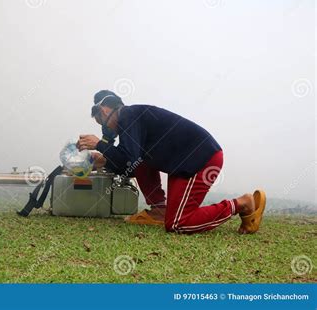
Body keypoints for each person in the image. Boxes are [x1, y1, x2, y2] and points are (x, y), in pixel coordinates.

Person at [77, 90, 266, 234]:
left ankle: (241, 203)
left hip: (203, 159)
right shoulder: (132, 118)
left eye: (101, 123)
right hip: (182, 165)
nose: (105, 129)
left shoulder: (128, 115)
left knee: (177, 223)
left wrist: (100, 145)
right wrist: (104, 161)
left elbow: (129, 158)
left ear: (103, 110)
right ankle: (159, 209)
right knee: (141, 161)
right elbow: (133, 166)